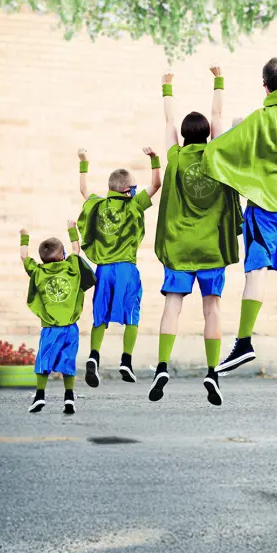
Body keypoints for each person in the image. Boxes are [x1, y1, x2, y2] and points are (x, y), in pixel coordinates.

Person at [201, 0, 277, 381]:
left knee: (256, 273)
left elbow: (215, 153)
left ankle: (245, 341)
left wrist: (227, 128)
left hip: (266, 207)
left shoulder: (256, 121)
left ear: (264, 86)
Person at [151, 66, 243, 406]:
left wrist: (167, 88)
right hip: (210, 249)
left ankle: (162, 366)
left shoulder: (174, 158)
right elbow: (218, 113)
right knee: (212, 310)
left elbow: (168, 125)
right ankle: (212, 371)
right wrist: (219, 79)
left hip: (179, 245)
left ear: (185, 137)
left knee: (172, 307)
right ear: (206, 134)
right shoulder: (216, 155)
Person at [76, 147, 161, 387]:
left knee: (99, 316)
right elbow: (156, 185)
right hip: (126, 269)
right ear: (127, 190)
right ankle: (126, 360)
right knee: (132, 313)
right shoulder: (134, 205)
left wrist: (84, 162)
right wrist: (155, 160)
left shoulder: (98, 205)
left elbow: (83, 190)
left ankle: (94, 356)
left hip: (103, 270)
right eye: (133, 187)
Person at [19, 223, 96, 414]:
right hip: (70, 328)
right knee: (68, 361)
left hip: (50, 329)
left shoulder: (37, 272)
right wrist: (72, 229)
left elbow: (23, 257)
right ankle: (69, 398)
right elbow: (76, 250)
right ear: (62, 256)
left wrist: (24, 236)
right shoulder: (71, 267)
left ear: (42, 259)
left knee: (44, 361)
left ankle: (40, 396)